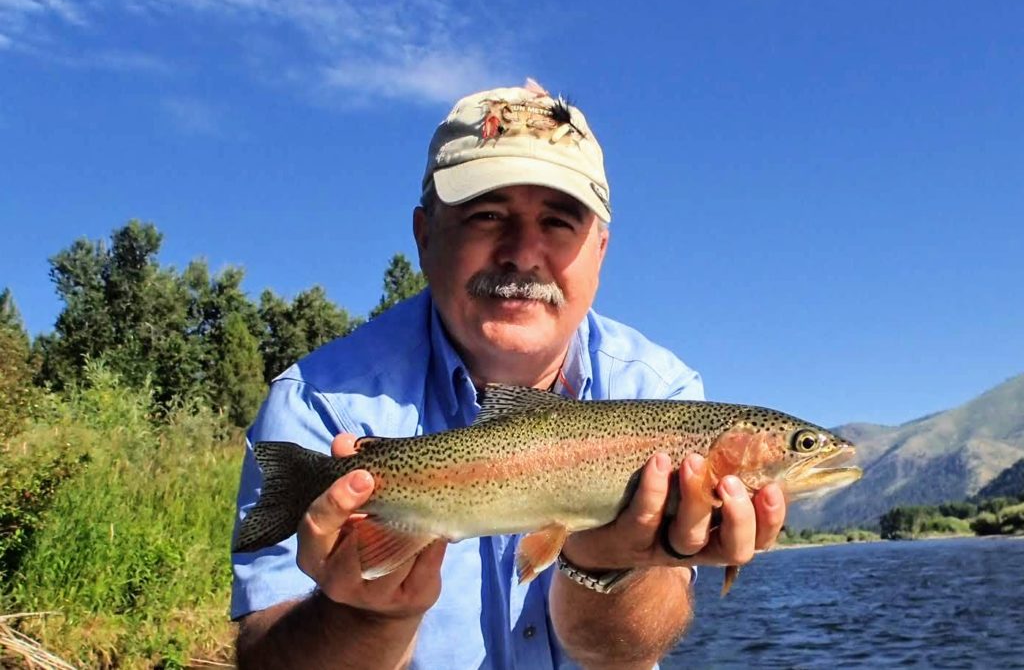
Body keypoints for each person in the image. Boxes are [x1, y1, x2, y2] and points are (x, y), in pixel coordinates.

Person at [231, 80, 786, 669]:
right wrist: (367, 614)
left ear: (600, 249)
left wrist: (605, 564)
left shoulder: (660, 389)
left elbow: (625, 651)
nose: (522, 253)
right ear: (424, 236)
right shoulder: (321, 402)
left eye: (558, 222)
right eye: (487, 215)